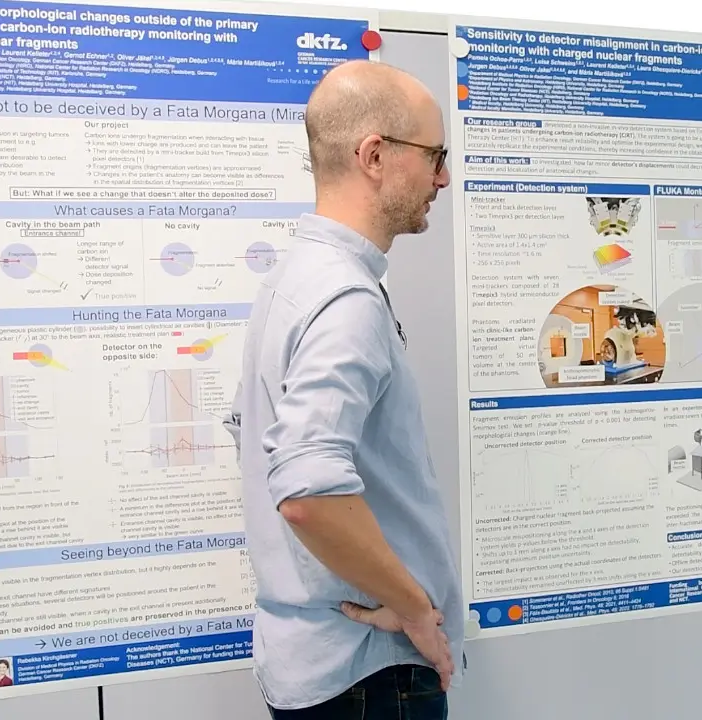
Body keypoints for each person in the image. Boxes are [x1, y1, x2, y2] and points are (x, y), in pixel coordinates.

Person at [223, 59, 459, 719]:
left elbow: (261, 445)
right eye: (434, 156)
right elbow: (306, 490)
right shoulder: (345, 299)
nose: (443, 178)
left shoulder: (293, 280)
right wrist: (414, 610)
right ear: (374, 156)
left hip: (316, 666)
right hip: (367, 676)